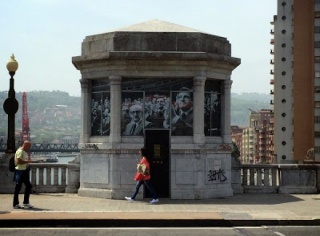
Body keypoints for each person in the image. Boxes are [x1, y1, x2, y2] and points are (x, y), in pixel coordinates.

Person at [13, 140, 33, 209]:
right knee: (18, 188)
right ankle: (16, 204)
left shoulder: (24, 152)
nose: (29, 148)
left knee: (29, 186)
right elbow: (18, 161)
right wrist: (28, 161)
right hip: (19, 171)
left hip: (24, 171)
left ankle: (26, 202)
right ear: (25, 145)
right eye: (29, 146)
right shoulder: (20, 151)